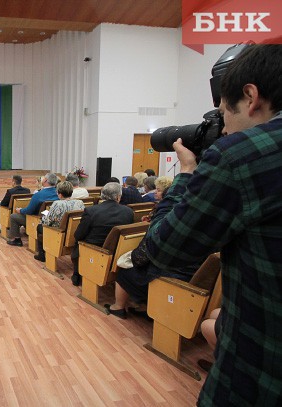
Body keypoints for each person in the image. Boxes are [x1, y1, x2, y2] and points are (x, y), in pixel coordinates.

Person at [143, 43, 282, 405]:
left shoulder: (243, 155)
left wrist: (188, 172)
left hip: (259, 371)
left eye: (223, 113)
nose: (222, 130)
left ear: (251, 97)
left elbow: (163, 248)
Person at [70, 182, 134, 286]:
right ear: (118, 197)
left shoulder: (91, 211)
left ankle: (77, 274)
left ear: (102, 195)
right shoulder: (128, 211)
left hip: (94, 249)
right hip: (118, 250)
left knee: (77, 242)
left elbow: (78, 235)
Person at [34, 181, 85, 261]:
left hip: (59, 233)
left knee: (39, 227)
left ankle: (42, 254)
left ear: (60, 194)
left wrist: (43, 217)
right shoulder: (80, 203)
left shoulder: (57, 204)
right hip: (74, 233)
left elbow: (47, 222)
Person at [7, 173, 58, 247]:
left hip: (37, 219)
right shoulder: (58, 193)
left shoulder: (38, 195)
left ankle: (16, 239)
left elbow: (29, 211)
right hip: (51, 217)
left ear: (46, 180)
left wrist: (20, 210)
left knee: (13, 216)